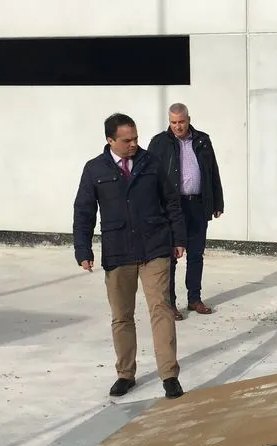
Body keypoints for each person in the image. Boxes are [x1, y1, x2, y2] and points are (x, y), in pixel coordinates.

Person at [72, 113, 188, 399]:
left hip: (155, 247)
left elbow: (171, 201)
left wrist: (179, 238)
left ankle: (169, 375)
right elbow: (84, 212)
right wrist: (83, 250)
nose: (133, 144)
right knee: (122, 316)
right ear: (110, 140)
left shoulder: (151, 163)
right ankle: (125, 374)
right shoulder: (94, 169)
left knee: (161, 309)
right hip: (118, 250)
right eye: (127, 140)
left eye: (135, 137)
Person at [147, 103, 225, 321]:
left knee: (196, 254)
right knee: (172, 256)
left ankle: (194, 298)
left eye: (181, 122)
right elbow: (151, 177)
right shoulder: (159, 143)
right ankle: (170, 303)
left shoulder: (202, 140)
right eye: (173, 122)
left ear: (188, 119)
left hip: (198, 205)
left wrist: (217, 201)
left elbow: (213, 172)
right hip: (173, 208)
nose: (177, 127)